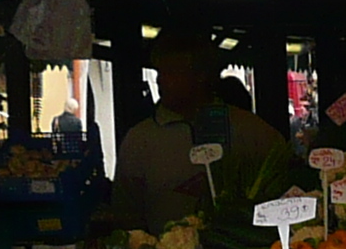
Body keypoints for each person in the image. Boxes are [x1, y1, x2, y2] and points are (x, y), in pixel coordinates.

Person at [115, 41, 281, 231]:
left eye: (171, 72)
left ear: (201, 76)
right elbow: (126, 214)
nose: (160, 80)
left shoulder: (251, 130)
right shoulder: (139, 139)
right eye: (159, 72)